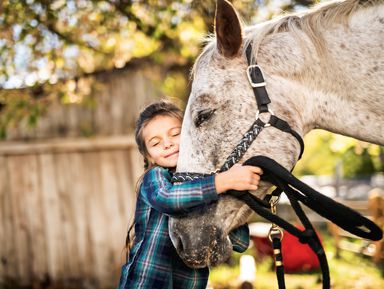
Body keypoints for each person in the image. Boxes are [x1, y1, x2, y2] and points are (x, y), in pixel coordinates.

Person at [117, 100, 263, 289]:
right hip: (147, 281)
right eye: (156, 143)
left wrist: (233, 193)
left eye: (175, 134)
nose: (167, 144)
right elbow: (167, 198)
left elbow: (240, 242)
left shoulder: (204, 184)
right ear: (149, 157)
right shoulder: (155, 178)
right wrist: (222, 182)